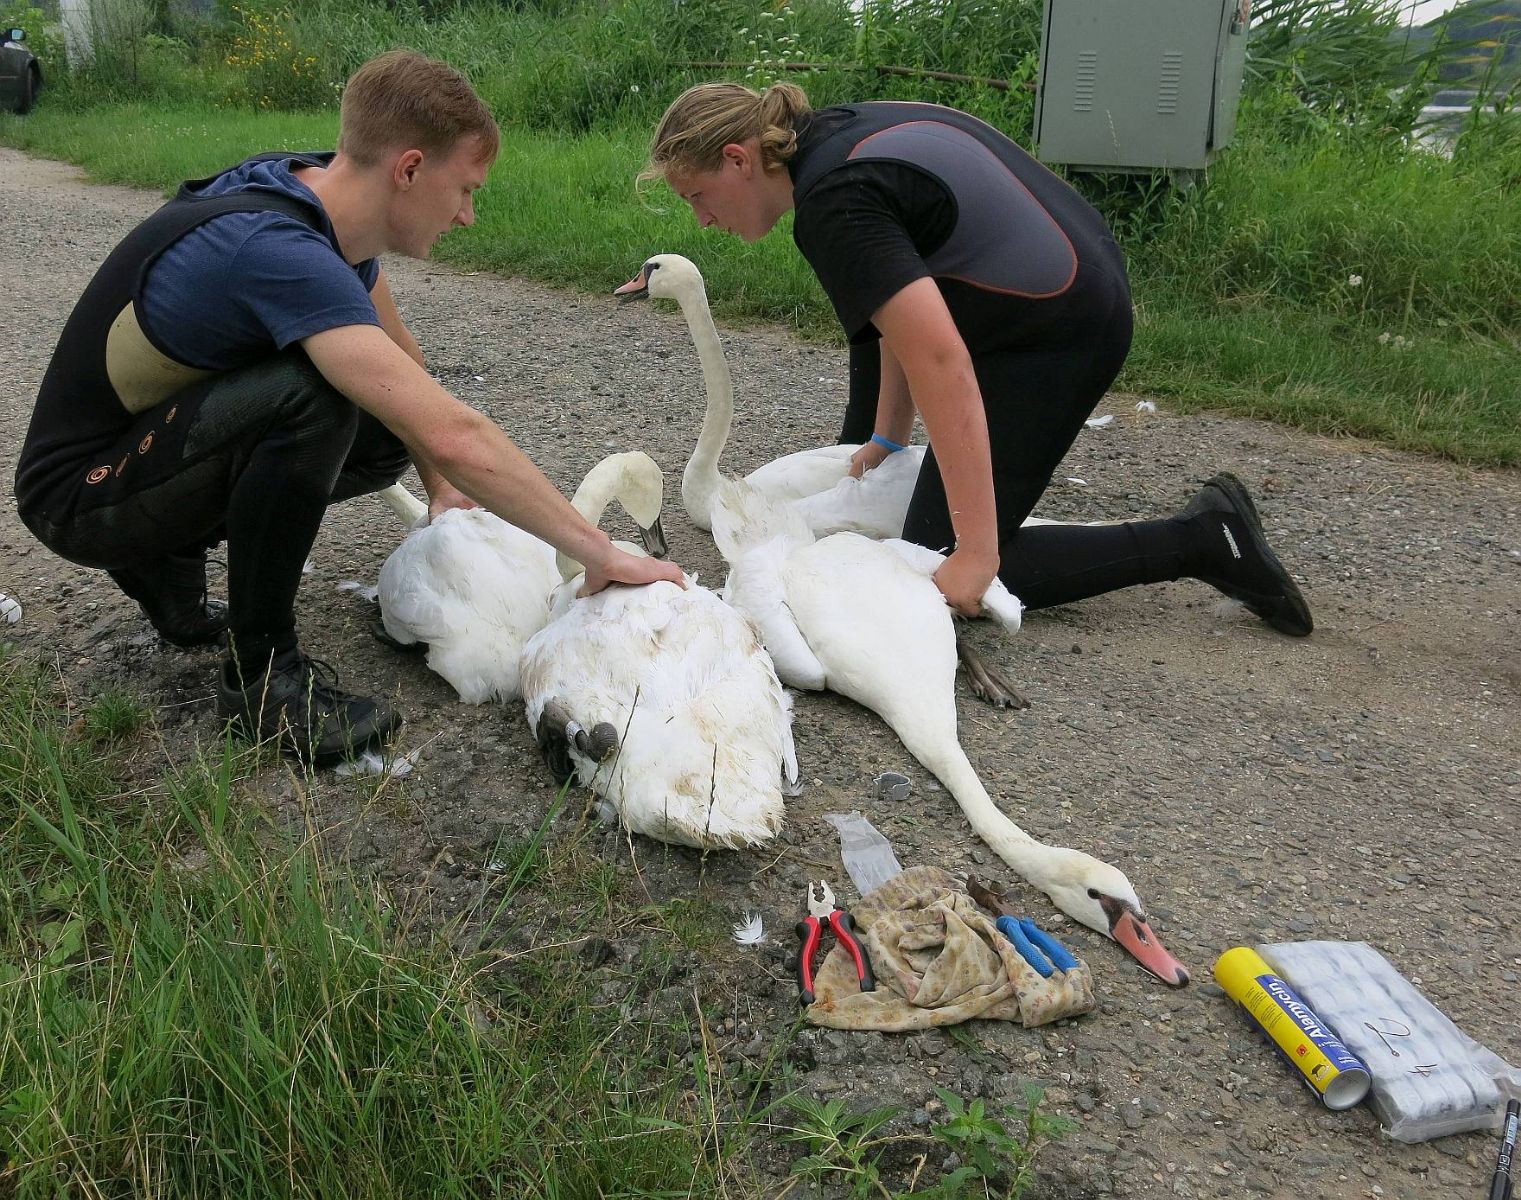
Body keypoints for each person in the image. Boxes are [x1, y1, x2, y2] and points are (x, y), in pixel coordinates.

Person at [14, 50, 683, 767]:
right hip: (76, 497)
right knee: (313, 401)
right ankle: (261, 684)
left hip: (142, 452)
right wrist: (600, 552)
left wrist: (446, 494)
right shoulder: (276, 249)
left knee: (379, 424)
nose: (468, 215)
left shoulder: (323, 199)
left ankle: (166, 555)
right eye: (463, 189)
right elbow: (453, 431)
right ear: (409, 169)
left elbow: (406, 369)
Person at [639, 81, 1312, 634]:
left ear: (736, 159)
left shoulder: (832, 204)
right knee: (923, 528)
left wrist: (974, 552)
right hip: (1068, 277)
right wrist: (883, 437)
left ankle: (1201, 539)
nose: (700, 220)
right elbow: (903, 308)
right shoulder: (832, 138)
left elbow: (940, 361)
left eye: (695, 196)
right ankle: (971, 526)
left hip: (1056, 326)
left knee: (935, 566)